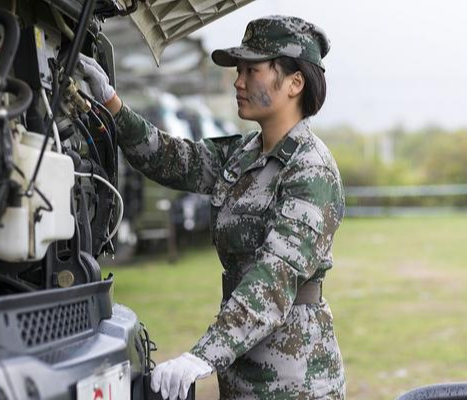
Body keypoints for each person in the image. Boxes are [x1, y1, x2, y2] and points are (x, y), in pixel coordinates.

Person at [80, 15, 346, 400]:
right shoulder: (244, 155)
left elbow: (275, 279)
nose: (238, 81)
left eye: (251, 70)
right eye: (239, 70)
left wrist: (201, 357)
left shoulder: (311, 169)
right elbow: (169, 158)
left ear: (294, 82)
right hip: (242, 370)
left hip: (296, 381)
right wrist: (111, 104)